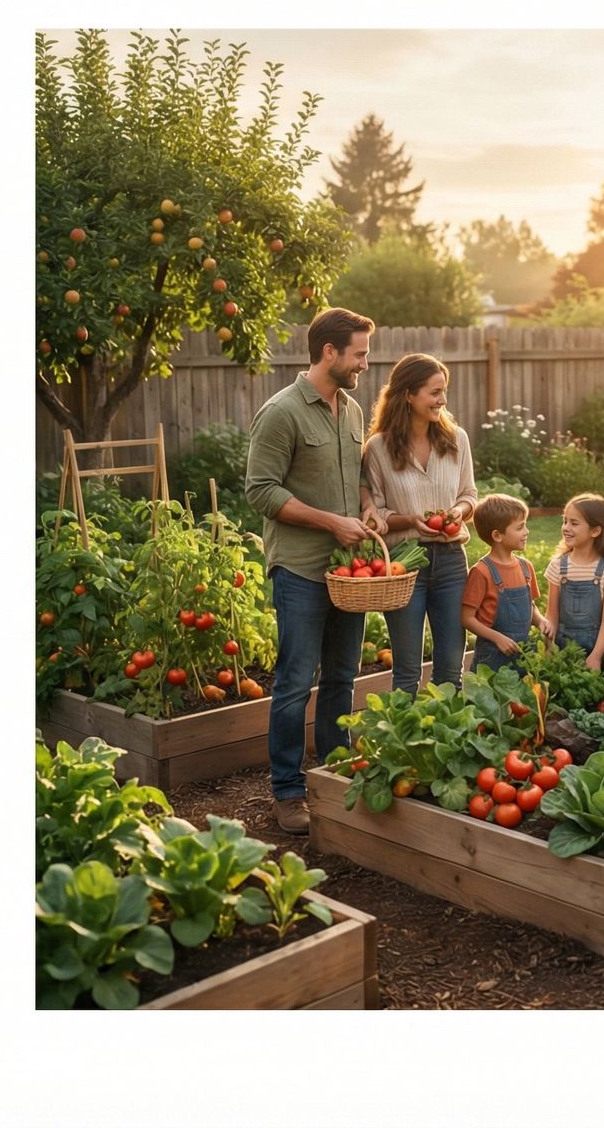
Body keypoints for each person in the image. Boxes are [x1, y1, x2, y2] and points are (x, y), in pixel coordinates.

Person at [244, 307, 384, 835]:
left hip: (349, 573)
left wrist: (366, 506)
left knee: (343, 677)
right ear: (330, 352)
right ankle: (287, 790)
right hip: (302, 569)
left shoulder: (349, 409)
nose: (366, 364)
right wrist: (331, 522)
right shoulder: (281, 412)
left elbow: (357, 477)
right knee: (295, 682)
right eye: (360, 353)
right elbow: (261, 491)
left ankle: (332, 772)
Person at [363, 353, 478, 694]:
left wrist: (458, 511)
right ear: (409, 395)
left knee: (450, 667)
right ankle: (405, 743)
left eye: (444, 392)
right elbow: (376, 512)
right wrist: (411, 520)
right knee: (407, 670)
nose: (442, 400)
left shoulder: (457, 439)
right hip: (403, 564)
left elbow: (470, 494)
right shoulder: (379, 449)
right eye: (434, 392)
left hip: (451, 561)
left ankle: (448, 741)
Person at [461, 493, 552, 673]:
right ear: (497, 535)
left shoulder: (526, 567)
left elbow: (530, 606)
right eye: (520, 527)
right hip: (492, 657)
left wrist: (540, 620)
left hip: (522, 654)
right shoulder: (481, 572)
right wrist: (497, 638)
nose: (526, 532)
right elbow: (467, 618)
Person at [543, 493, 604, 670]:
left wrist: (596, 657)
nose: (566, 527)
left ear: (595, 531)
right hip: (563, 653)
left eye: (574, 523)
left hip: (599, 652)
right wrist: (549, 649)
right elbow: (552, 616)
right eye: (565, 521)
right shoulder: (557, 566)